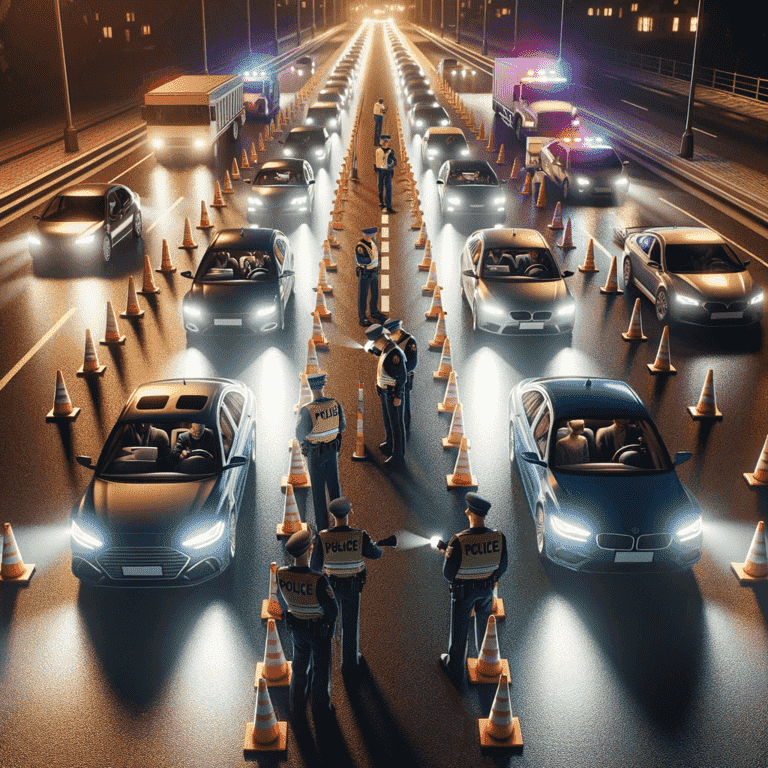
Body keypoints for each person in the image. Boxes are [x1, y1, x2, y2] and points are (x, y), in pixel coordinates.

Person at [311, 497, 383, 673]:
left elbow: (314, 567)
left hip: (331, 588)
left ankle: (324, 664)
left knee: (328, 623)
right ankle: (349, 663)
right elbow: (375, 554)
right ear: (349, 512)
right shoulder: (360, 536)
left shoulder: (323, 537)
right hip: (352, 587)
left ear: (332, 514)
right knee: (350, 626)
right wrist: (376, 545)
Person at [439, 492, 508, 680]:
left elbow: (448, 574)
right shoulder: (498, 537)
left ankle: (455, 668)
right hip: (486, 590)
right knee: (484, 623)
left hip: (463, 594)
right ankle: (483, 655)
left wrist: (448, 555)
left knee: (459, 632)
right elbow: (502, 566)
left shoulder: (459, 540)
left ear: (469, 512)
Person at [277, 528, 338, 722]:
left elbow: (280, 600)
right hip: (317, 630)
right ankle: (320, 709)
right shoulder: (318, 580)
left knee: (299, 665)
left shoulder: (281, 574)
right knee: (320, 669)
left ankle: (297, 705)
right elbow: (333, 610)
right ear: (309, 549)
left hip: (296, 628)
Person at [295, 371, 346, 532]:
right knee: (334, 487)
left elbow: (299, 434)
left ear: (311, 388)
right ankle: (340, 523)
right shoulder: (335, 404)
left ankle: (322, 529)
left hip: (315, 454)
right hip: (332, 451)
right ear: (323, 386)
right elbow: (342, 427)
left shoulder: (307, 410)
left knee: (318, 493)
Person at [365, 324, 407, 465]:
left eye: (374, 343)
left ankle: (398, 456)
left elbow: (402, 377)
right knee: (388, 421)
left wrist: (398, 396)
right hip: (385, 392)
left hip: (392, 393)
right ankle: (390, 443)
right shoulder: (385, 349)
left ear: (380, 339)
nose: (374, 345)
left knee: (396, 425)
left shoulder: (394, 353)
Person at [383, 318, 417, 436]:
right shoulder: (393, 343)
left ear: (396, 331)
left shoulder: (409, 341)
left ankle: (406, 428)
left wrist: (399, 371)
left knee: (405, 402)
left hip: (404, 378)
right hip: (393, 379)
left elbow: (412, 363)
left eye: (390, 334)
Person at [355, 227, 387, 327]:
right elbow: (364, 260)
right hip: (365, 272)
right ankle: (362, 317)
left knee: (375, 293)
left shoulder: (373, 242)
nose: (374, 237)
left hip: (374, 271)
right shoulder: (360, 246)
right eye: (372, 235)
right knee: (363, 295)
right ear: (366, 236)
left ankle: (374, 311)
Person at [374, 135, 397, 213]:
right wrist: (377, 168)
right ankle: (381, 202)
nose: (384, 143)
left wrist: (390, 166)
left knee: (388, 189)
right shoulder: (378, 151)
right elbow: (377, 161)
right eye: (383, 141)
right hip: (380, 171)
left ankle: (389, 206)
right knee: (380, 188)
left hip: (388, 171)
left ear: (388, 143)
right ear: (381, 142)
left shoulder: (390, 151)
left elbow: (395, 161)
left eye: (386, 142)